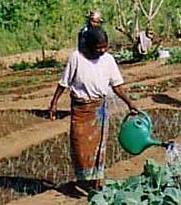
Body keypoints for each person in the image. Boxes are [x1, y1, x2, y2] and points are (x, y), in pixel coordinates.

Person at [49, 27, 138, 193]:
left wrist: (129, 103)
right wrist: (53, 103)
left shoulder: (108, 60)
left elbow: (117, 86)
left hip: (99, 109)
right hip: (80, 109)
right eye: (99, 47)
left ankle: (97, 181)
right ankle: (83, 182)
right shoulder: (77, 58)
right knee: (79, 147)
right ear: (89, 45)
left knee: (99, 148)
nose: (102, 50)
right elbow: (64, 82)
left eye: (105, 47)